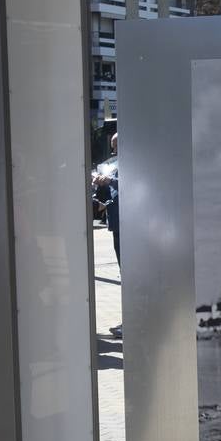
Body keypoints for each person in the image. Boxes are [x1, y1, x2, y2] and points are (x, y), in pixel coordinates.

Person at [93, 131, 122, 337]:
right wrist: (99, 190)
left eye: (116, 146)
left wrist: (109, 181)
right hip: (117, 225)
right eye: (113, 147)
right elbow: (109, 197)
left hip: (131, 227)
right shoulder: (111, 164)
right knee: (125, 272)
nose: (114, 151)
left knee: (130, 273)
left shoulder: (135, 160)